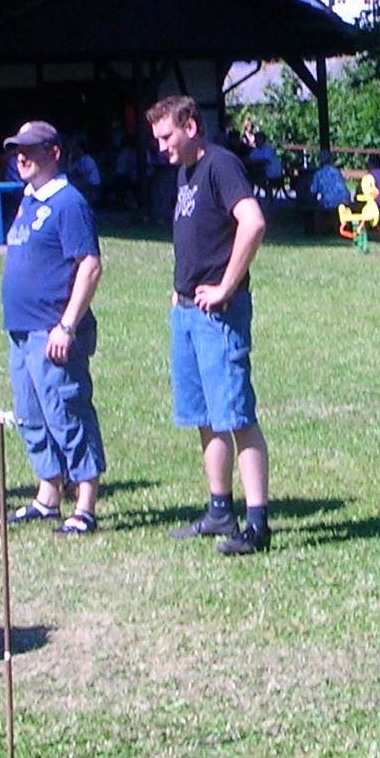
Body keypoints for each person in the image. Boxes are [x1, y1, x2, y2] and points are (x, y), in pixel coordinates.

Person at [150, 95, 272, 556]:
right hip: (187, 312)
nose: (161, 147)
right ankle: (220, 509)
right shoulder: (185, 172)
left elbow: (252, 223)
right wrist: (179, 290)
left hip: (218, 315)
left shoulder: (220, 164)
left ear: (191, 126)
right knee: (204, 416)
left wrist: (224, 286)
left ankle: (257, 524)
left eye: (166, 136)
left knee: (236, 416)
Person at [0, 121, 106, 536]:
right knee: (30, 415)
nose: (21, 157)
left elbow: (89, 266)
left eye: (30, 150)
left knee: (67, 412)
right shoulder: (28, 199)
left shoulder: (69, 203)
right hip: (21, 330)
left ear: (54, 153)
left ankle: (85, 504)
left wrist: (67, 325)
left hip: (52, 330)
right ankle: (48, 496)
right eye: (17, 150)